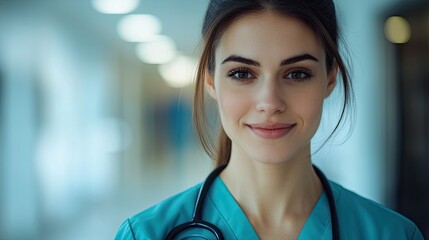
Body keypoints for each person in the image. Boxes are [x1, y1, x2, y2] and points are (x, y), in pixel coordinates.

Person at [115, 0, 425, 239]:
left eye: (297, 73)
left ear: (330, 79)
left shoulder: (393, 234)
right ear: (211, 80)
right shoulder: (145, 234)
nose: (270, 102)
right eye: (242, 73)